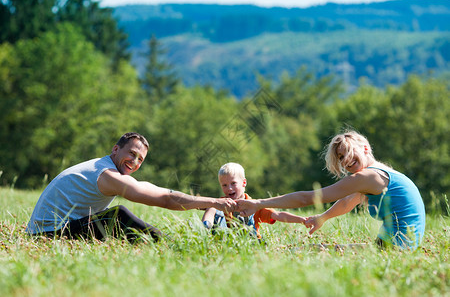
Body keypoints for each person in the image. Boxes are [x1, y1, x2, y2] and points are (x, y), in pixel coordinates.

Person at [26, 132, 236, 242]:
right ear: (116, 149)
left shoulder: (107, 168)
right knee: (118, 216)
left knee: (113, 218)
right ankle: (167, 244)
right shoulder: (107, 174)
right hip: (48, 234)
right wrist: (214, 202)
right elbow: (165, 199)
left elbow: (163, 192)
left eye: (140, 159)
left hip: (54, 229)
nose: (135, 162)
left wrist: (211, 204)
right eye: (132, 154)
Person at [237, 130, 426, 249]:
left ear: (366, 148)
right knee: (317, 249)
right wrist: (322, 218)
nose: (346, 160)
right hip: (401, 245)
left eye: (350, 152)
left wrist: (258, 203)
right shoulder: (377, 174)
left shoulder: (367, 177)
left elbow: (307, 198)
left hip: (398, 248)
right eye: (341, 157)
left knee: (308, 251)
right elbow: (347, 202)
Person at [202, 163, 306, 240]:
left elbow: (278, 215)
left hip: (250, 242)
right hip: (226, 242)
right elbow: (210, 210)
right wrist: (207, 222)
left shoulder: (254, 205)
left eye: (233, 183)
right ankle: (204, 227)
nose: (229, 188)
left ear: (244, 183)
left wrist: (302, 220)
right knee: (213, 207)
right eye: (224, 185)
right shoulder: (221, 203)